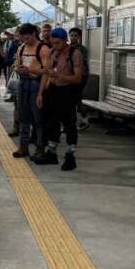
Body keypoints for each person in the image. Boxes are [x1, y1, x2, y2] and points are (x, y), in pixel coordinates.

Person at [36, 28, 83, 171]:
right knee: (52, 123)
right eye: (53, 42)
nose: (55, 45)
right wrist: (40, 93)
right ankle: (52, 153)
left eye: (57, 43)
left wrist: (59, 76)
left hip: (67, 91)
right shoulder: (51, 52)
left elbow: (77, 78)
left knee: (69, 124)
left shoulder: (75, 54)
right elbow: (46, 74)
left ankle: (70, 155)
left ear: (65, 41)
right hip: (53, 91)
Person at [11, 23, 50, 159]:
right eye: (22, 39)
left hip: (37, 85)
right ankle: (24, 146)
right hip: (23, 84)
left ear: (34, 34)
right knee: (24, 117)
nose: (24, 41)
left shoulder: (43, 49)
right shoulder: (21, 48)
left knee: (39, 118)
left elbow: (46, 72)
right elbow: (16, 65)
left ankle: (40, 148)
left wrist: (40, 93)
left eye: (27, 38)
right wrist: (18, 69)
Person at [68, 27, 90, 131]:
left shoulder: (82, 49)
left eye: (75, 36)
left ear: (79, 37)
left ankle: (84, 119)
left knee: (76, 99)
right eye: (71, 35)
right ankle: (73, 121)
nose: (73, 37)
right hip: (70, 77)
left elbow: (82, 64)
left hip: (80, 77)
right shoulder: (67, 48)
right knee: (72, 99)